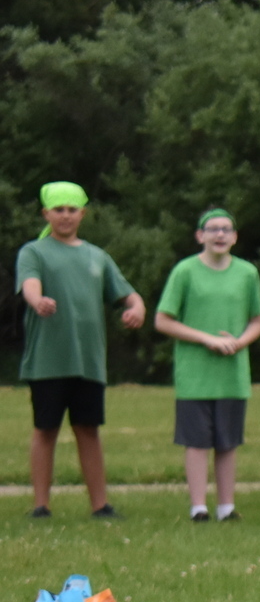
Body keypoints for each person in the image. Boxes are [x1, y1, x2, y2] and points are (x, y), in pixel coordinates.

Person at [17, 182, 145, 519]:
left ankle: (100, 505)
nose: (65, 216)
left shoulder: (96, 256)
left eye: (71, 210)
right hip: (48, 360)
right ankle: (41, 505)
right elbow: (29, 285)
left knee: (88, 429)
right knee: (46, 430)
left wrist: (137, 308)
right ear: (46, 213)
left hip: (88, 361)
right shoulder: (35, 252)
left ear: (82, 214)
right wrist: (38, 300)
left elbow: (128, 294)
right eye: (58, 210)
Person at [153, 209, 260, 523]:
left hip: (232, 373)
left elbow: (257, 320)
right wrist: (206, 339)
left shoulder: (247, 273)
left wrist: (239, 342)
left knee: (228, 441)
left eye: (226, 230)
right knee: (197, 440)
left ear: (235, 236)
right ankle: (198, 506)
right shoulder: (185, 271)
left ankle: (226, 507)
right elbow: (163, 320)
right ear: (200, 235)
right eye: (212, 229)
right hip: (195, 373)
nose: (220, 235)